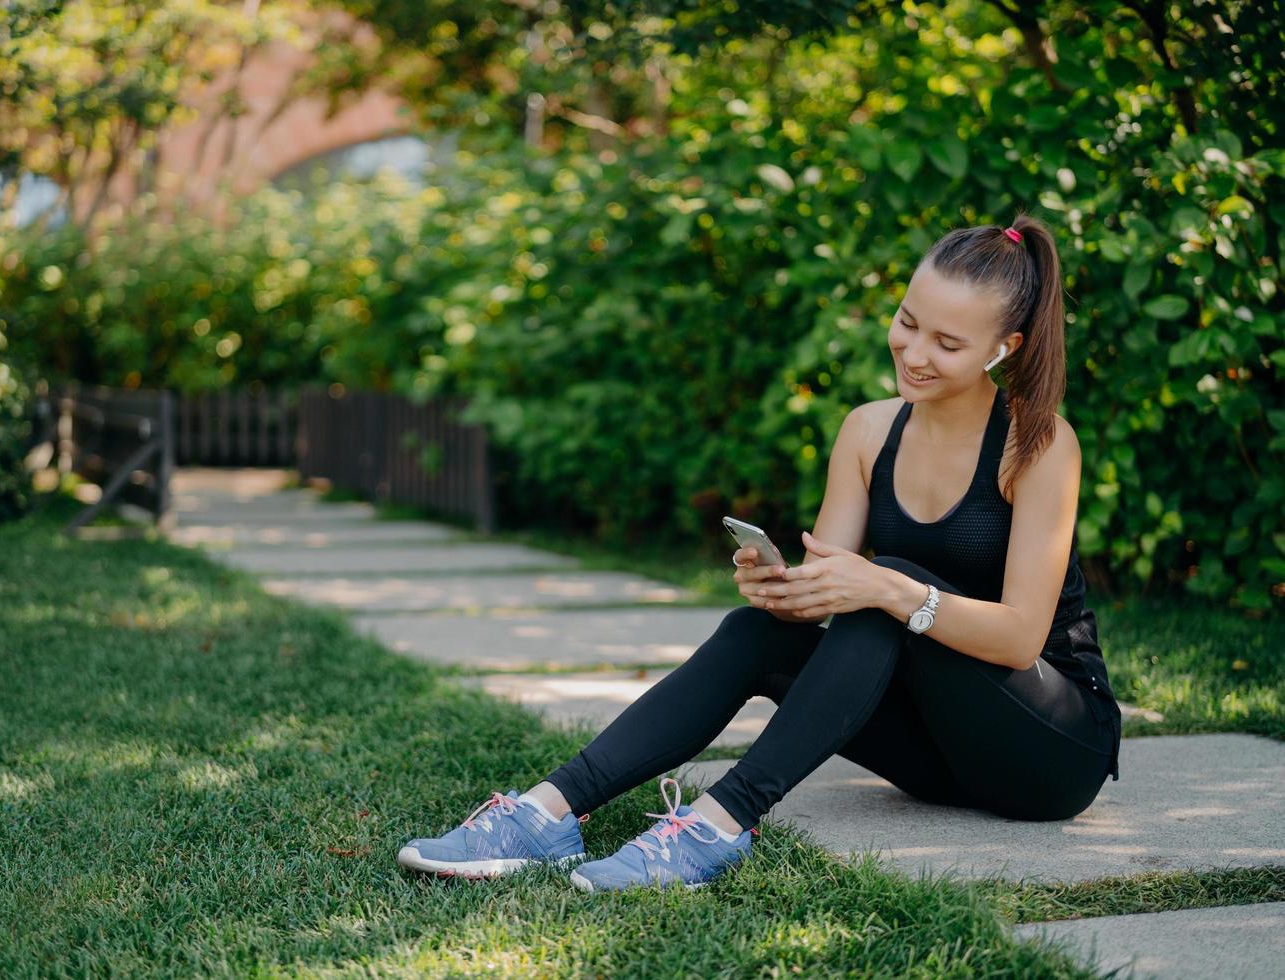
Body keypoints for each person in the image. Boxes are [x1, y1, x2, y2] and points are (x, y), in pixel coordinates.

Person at [396, 215, 1123, 893]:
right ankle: (547, 813)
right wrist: (781, 587)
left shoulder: (1040, 444)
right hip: (939, 758)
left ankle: (717, 827)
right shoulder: (869, 432)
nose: (913, 351)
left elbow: (1023, 634)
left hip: (1048, 751)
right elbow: (828, 590)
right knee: (771, 626)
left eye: (948, 343)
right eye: (907, 323)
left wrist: (889, 590)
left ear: (1006, 348)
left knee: (882, 587)